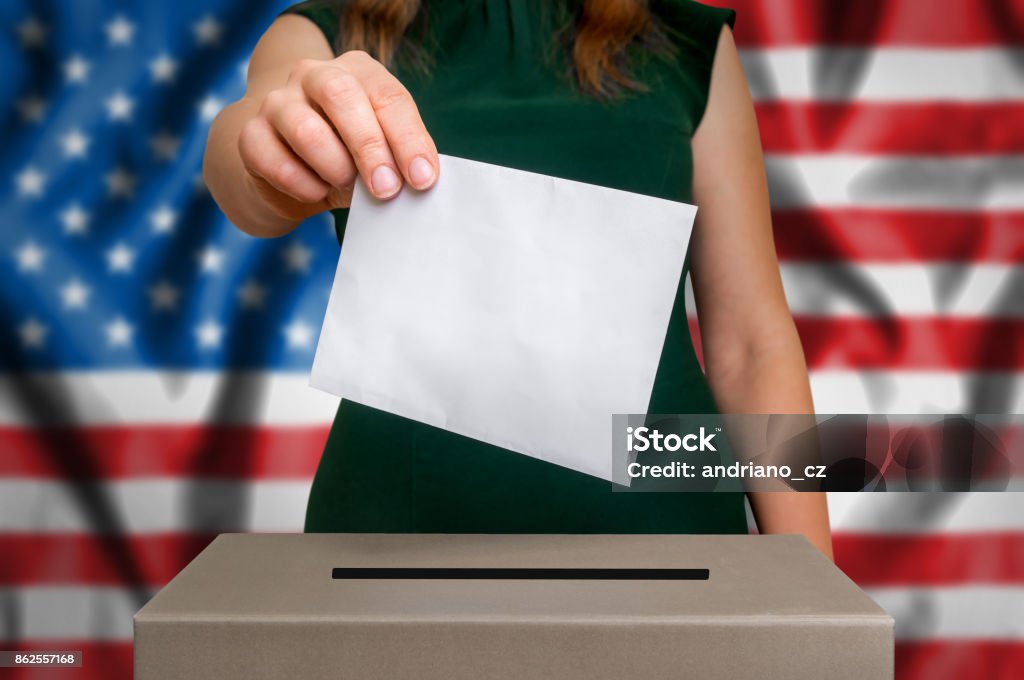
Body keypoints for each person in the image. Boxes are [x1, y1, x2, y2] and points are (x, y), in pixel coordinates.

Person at [203, 0, 833, 559]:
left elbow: (753, 345)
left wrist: (814, 594)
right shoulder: (321, 31)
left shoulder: (685, 40)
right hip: (396, 529)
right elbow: (248, 169)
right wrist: (271, 145)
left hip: (665, 524)